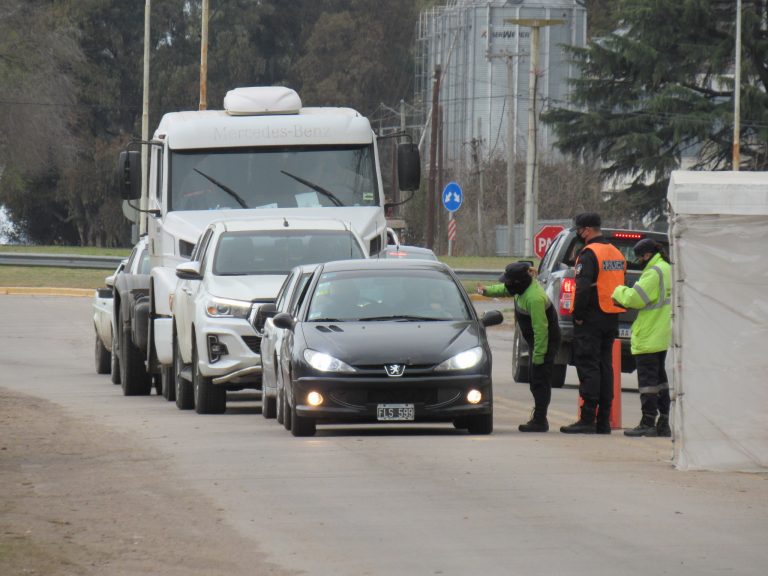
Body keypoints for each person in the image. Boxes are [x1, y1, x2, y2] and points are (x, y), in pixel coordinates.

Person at [560, 212, 627, 435]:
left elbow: (582, 287)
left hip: (591, 317)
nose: (579, 234)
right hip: (611, 315)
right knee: (605, 367)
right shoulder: (616, 252)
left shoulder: (589, 253)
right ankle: (603, 421)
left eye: (579, 230)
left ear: (586, 230)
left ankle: (587, 418)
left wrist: (577, 314)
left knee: (588, 366)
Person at [478, 262, 561, 432]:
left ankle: (540, 420)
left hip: (545, 341)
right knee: (534, 378)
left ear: (518, 283)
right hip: (536, 341)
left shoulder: (534, 298)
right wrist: (486, 291)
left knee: (540, 380)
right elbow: (503, 289)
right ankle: (539, 417)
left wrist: (538, 357)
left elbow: (541, 331)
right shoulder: (520, 288)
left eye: (509, 282)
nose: (506, 285)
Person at [612, 238, 672, 437]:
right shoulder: (668, 268)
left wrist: (618, 290)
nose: (639, 262)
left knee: (647, 382)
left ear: (646, 255)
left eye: (640, 258)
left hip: (649, 333)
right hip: (664, 333)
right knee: (661, 380)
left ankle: (648, 421)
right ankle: (664, 421)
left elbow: (634, 298)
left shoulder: (654, 272)